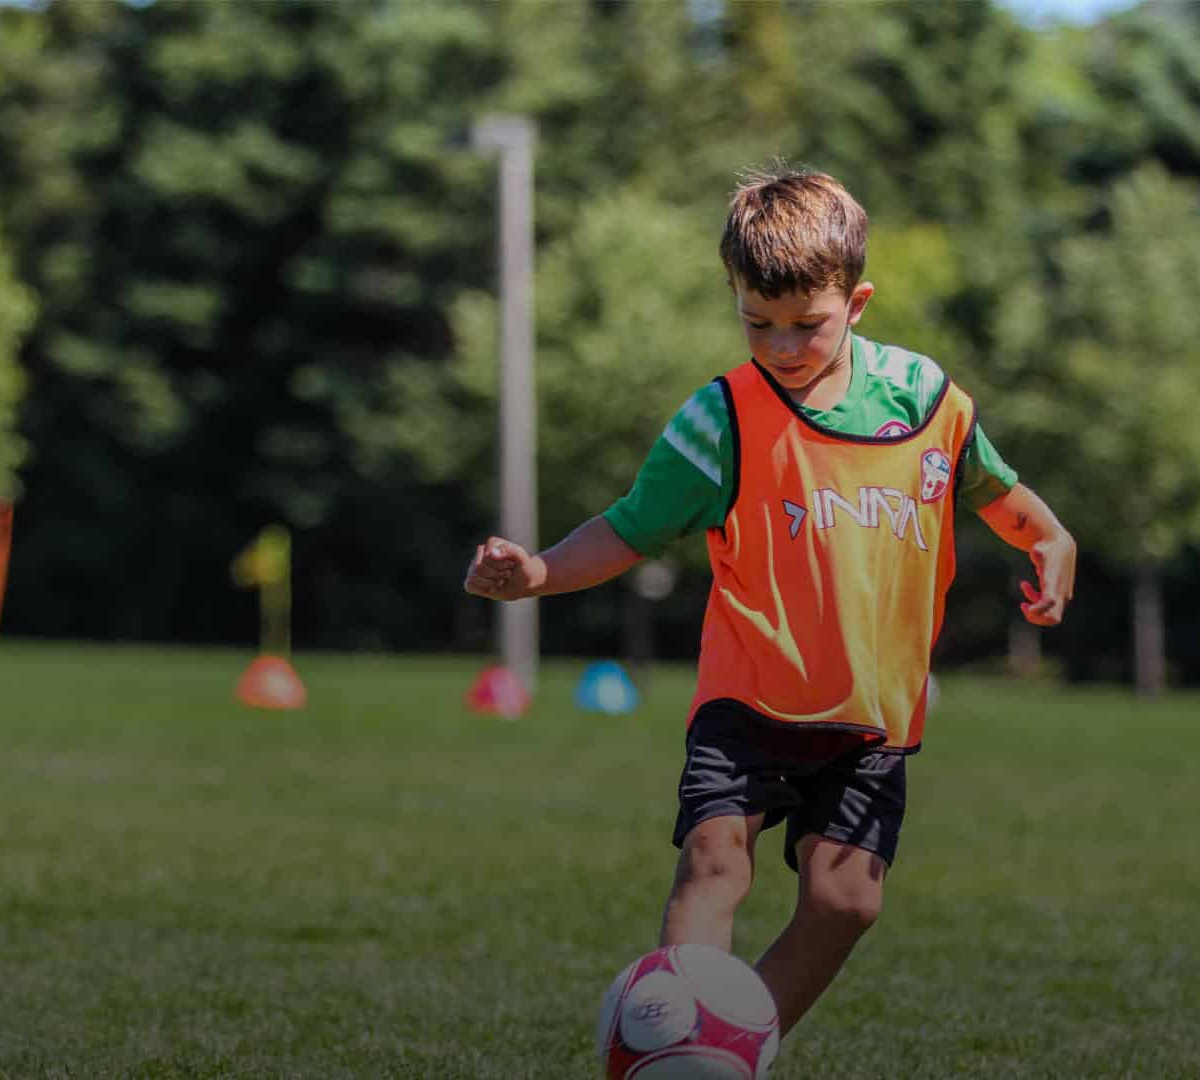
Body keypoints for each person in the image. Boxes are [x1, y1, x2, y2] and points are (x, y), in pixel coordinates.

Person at [461, 169, 1076, 1037]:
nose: (782, 345)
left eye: (806, 324)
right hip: (749, 694)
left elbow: (992, 486)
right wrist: (537, 573)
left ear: (856, 302)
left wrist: (1049, 536)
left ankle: (736, 1044)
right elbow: (630, 528)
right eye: (758, 322)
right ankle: (679, 1046)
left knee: (848, 900)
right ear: (735, 297)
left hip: (870, 713)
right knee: (714, 862)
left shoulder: (925, 399)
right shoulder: (720, 420)